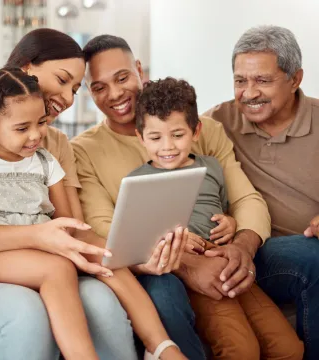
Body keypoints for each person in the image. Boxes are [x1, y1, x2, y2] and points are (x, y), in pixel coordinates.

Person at [0, 29, 142, 360]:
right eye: (63, 79)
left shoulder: (54, 146)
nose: (69, 98)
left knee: (104, 303)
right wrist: (39, 237)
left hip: (53, 260)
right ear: (27, 68)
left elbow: (71, 225)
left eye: (76, 89)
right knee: (28, 311)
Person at [71, 34, 272, 360]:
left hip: (221, 252)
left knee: (303, 265)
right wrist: (187, 264)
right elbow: (107, 230)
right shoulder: (83, 151)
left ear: (139, 69)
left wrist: (243, 246)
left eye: (122, 78)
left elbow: (246, 198)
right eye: (99, 87)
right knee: (165, 293)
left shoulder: (202, 129)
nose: (115, 93)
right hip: (149, 267)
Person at [130, 77, 303, 360]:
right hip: (194, 268)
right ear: (140, 137)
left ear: (196, 131)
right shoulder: (139, 181)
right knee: (241, 349)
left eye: (177, 134)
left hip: (229, 261)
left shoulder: (211, 166)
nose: (168, 147)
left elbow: (226, 208)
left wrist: (232, 223)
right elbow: (140, 237)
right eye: (155, 137)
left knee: (288, 348)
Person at [204, 25, 319, 360]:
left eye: (263, 81)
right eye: (241, 80)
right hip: (253, 252)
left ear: (295, 79)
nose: (249, 93)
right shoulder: (215, 124)